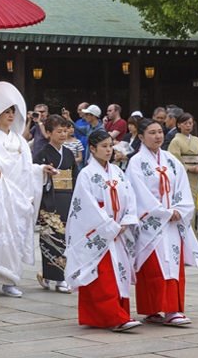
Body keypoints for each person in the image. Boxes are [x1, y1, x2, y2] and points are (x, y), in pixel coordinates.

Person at [0, 82, 54, 298]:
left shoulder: (20, 141)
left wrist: (40, 170)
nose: (10, 115)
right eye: (6, 112)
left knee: (13, 238)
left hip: (17, 195)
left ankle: (9, 280)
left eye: (13, 112)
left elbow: (27, 168)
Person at [126, 118, 198, 326]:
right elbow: (138, 193)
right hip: (152, 222)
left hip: (172, 222)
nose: (157, 136)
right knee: (153, 266)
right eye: (152, 133)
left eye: (160, 132)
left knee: (172, 264)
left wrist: (179, 209)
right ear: (141, 137)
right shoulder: (136, 162)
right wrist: (163, 212)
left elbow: (182, 186)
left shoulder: (171, 160)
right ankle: (151, 309)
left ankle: (172, 309)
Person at [65, 129, 141, 332]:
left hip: (118, 232)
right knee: (102, 276)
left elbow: (130, 197)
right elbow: (86, 206)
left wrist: (126, 220)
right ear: (92, 149)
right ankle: (114, 317)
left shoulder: (117, 172)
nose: (109, 150)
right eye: (104, 146)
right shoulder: (86, 174)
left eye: (110, 146)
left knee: (118, 274)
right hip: (98, 232)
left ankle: (110, 315)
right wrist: (109, 226)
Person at [33, 114, 77, 293]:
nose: (63, 134)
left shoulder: (68, 153)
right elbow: (31, 172)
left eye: (65, 131)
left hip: (67, 197)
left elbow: (75, 175)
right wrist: (43, 172)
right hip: (49, 200)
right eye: (59, 131)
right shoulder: (42, 153)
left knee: (66, 239)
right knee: (51, 239)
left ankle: (57, 276)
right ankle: (55, 277)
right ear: (49, 133)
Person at [167, 113, 198, 227]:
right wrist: (189, 168)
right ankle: (187, 229)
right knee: (186, 203)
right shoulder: (176, 141)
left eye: (190, 123)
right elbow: (174, 160)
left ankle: (193, 229)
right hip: (184, 175)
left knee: (194, 203)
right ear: (179, 125)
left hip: (196, 175)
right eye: (185, 123)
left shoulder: (197, 140)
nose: (188, 126)